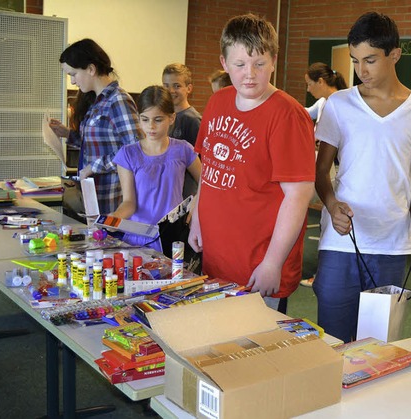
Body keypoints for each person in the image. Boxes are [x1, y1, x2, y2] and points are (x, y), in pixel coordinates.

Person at [313, 12, 411, 343]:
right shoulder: (339, 104)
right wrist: (331, 203)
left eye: (370, 60)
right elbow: (321, 169)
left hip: (392, 245)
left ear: (394, 54)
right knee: (332, 340)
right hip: (341, 240)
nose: (361, 71)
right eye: (355, 60)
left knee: (378, 346)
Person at [188, 14, 315, 313]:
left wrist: (273, 262)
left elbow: (298, 195)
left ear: (273, 60)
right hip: (217, 258)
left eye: (259, 64)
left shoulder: (288, 115)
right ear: (223, 62)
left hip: (259, 265)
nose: (249, 74)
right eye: (239, 64)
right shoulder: (217, 102)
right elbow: (208, 170)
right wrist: (197, 217)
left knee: (252, 352)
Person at [50, 38, 140, 216]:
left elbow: (135, 150)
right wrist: (68, 134)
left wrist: (94, 167)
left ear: (91, 69)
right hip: (94, 196)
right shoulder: (96, 101)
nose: (73, 82)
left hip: (112, 198)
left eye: (73, 74)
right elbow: (99, 144)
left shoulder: (118, 100)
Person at [111, 86, 201, 252]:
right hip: (138, 238)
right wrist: (114, 219)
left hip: (172, 236)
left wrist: (194, 203)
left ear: (171, 118)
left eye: (158, 120)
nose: (151, 126)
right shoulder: (128, 154)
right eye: (145, 119)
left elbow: (206, 180)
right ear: (138, 119)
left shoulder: (183, 149)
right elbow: (129, 203)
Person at [300, 62, 348, 288]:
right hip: (324, 167)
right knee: (325, 220)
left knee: (330, 220)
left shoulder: (341, 103)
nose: (308, 89)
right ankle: (322, 272)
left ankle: (323, 274)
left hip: (338, 171)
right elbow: (301, 114)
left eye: (310, 84)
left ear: (321, 82)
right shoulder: (323, 102)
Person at [162, 63, 202, 198]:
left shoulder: (193, 121)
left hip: (184, 194)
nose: (171, 90)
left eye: (177, 86)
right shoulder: (164, 118)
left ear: (189, 88)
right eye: (166, 85)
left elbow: (200, 164)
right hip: (168, 191)